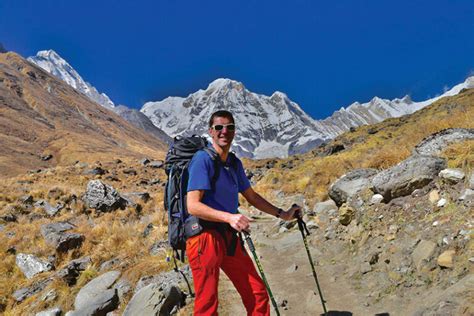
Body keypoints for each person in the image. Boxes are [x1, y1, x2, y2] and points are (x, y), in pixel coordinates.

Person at [186, 110, 301, 315]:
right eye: (219, 127)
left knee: (257, 294)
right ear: (210, 131)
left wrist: (282, 214)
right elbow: (193, 206)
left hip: (229, 237)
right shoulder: (202, 160)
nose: (224, 131)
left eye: (229, 127)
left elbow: (252, 197)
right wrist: (229, 217)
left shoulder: (234, 163)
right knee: (207, 304)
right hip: (204, 237)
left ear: (235, 131)